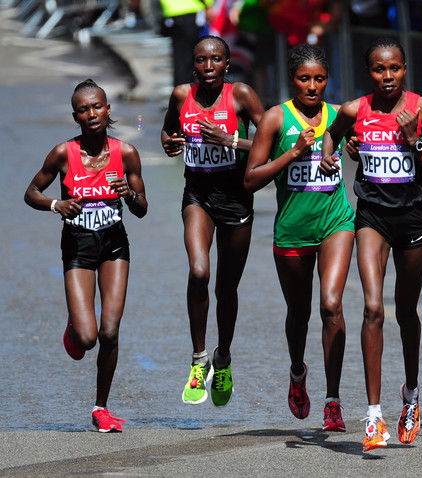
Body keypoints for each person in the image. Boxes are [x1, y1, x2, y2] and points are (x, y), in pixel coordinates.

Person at [321, 37, 422, 450]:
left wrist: (414, 142)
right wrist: (331, 153)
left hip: (411, 217)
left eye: (394, 68)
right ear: (369, 73)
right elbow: (332, 135)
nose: (388, 76)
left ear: (405, 69)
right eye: (379, 69)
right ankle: (374, 416)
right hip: (372, 217)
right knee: (373, 308)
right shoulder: (353, 110)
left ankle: (411, 394)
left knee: (406, 311)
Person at [24, 79, 148, 432]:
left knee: (109, 330)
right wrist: (56, 204)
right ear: (75, 116)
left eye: (97, 107)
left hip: (114, 247)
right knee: (87, 338)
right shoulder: (63, 154)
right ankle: (74, 328)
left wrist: (129, 195)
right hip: (77, 247)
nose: (91, 114)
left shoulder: (126, 153)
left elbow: (142, 208)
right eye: (83, 109)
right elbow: (31, 192)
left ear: (108, 110)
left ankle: (101, 408)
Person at [244, 43, 355, 432]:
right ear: (291, 80)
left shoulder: (339, 115)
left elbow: (361, 151)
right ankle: (297, 371)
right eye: (304, 79)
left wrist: (355, 148)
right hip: (292, 230)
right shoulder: (276, 118)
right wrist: (293, 153)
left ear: (327, 80)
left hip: (335, 222)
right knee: (299, 313)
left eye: (319, 79)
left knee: (331, 305)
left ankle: (333, 400)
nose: (312, 86)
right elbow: (250, 179)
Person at [161, 35, 264, 408]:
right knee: (199, 271)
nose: (208, 66)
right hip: (198, 196)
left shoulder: (241, 96)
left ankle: (223, 358)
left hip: (236, 199)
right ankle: (198, 359)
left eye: (216, 59)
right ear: (193, 64)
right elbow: (167, 130)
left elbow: (274, 141)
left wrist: (230, 141)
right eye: (201, 60)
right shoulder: (181, 95)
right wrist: (169, 143)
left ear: (227, 64)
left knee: (226, 289)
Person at [159, 0, 215, 86]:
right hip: (190, 11)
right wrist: (208, 4)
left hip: (172, 13)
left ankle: (181, 91)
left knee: (181, 60)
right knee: (189, 61)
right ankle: (187, 91)